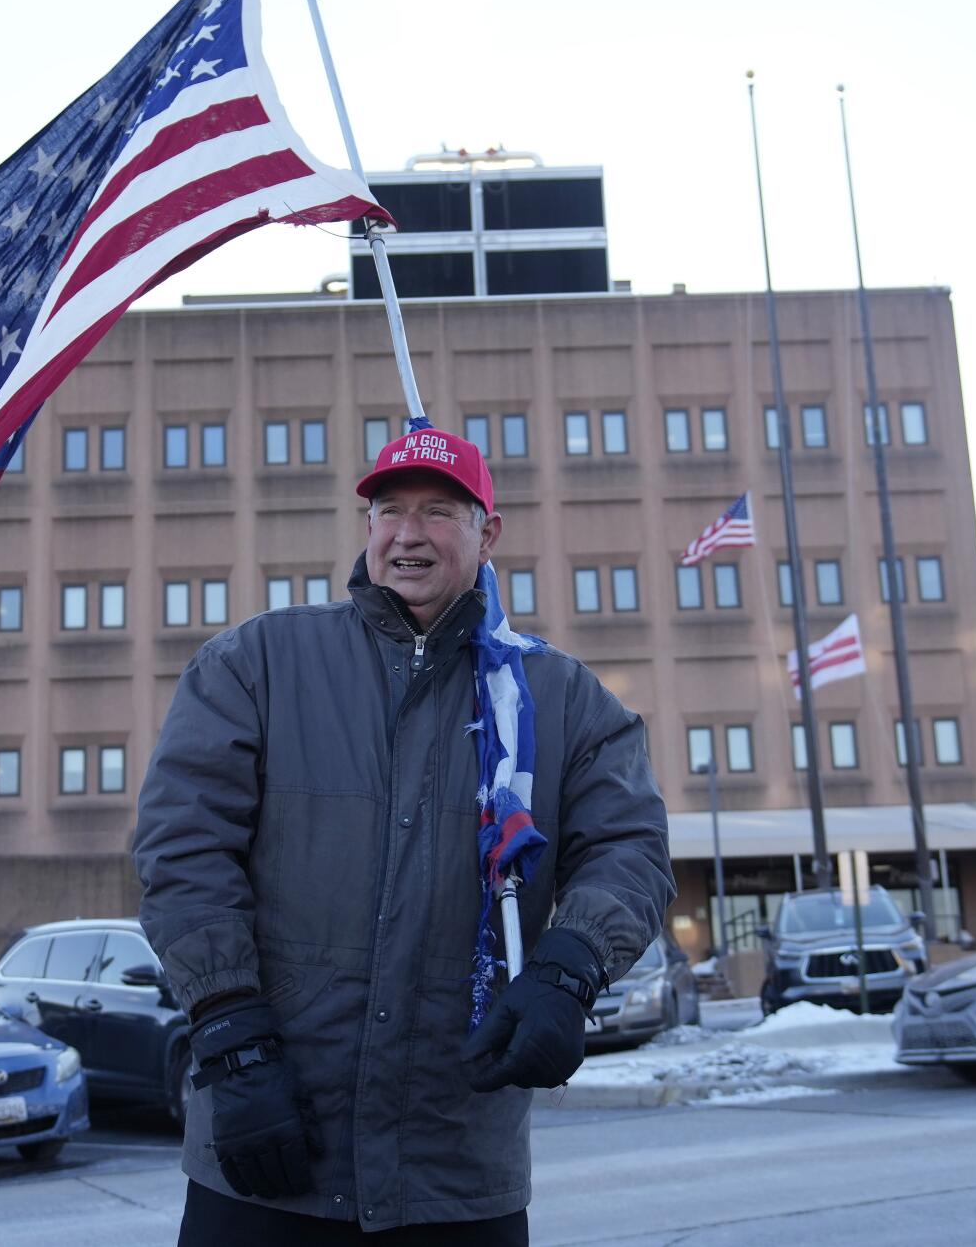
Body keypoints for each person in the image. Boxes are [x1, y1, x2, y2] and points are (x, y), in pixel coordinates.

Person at [134, 426, 674, 1244]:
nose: (409, 532)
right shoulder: (257, 662)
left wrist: (571, 967)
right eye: (390, 508)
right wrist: (229, 1030)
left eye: (440, 510)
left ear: (488, 532)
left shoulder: (560, 698)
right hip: (266, 1155)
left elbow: (629, 845)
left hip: (455, 1176)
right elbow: (183, 846)